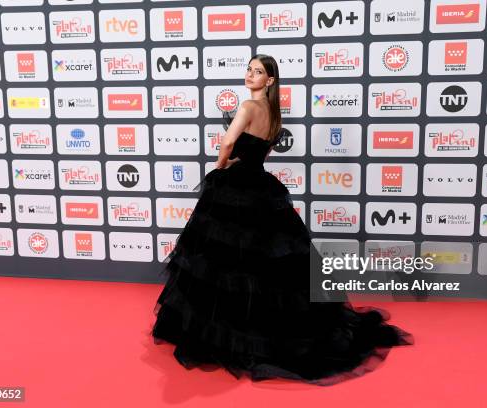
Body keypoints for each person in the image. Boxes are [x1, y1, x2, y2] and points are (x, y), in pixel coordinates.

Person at [151, 54, 414, 386]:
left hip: (235, 185)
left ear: (269, 80)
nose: (250, 75)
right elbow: (264, 152)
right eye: (248, 69)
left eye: (257, 72)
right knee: (260, 266)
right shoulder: (274, 115)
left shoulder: (247, 108)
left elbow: (229, 142)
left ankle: (228, 334)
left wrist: (220, 167)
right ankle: (256, 330)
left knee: (225, 263)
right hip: (261, 184)